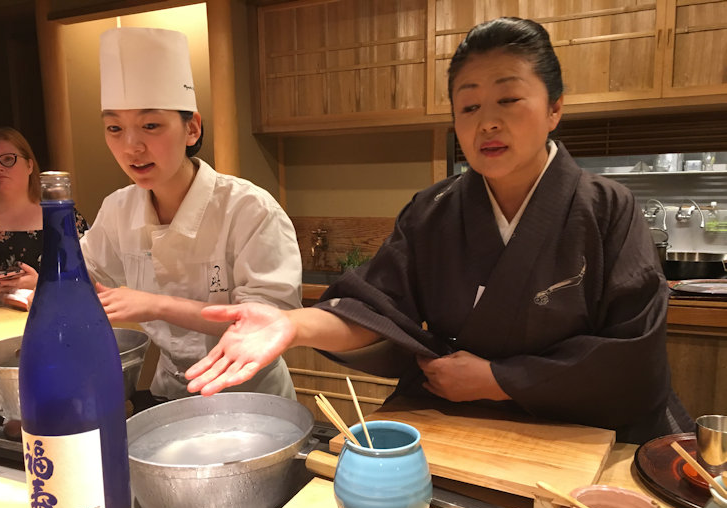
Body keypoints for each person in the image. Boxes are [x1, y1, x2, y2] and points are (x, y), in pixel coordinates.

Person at [184, 17, 693, 444]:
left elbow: (634, 360)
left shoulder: (606, 208)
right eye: (469, 107)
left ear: (555, 108)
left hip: (581, 436)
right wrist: (292, 325)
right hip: (463, 426)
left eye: (508, 100)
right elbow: (373, 310)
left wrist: (499, 381)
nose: (487, 123)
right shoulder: (434, 212)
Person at [79, 27, 302, 401]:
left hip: (253, 398)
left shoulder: (249, 208)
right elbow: (86, 273)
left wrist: (155, 304)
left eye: (150, 125)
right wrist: (53, 281)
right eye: (114, 128)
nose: (131, 146)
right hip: (173, 394)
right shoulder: (118, 209)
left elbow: (266, 323)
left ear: (191, 127)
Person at [0, 127, 88, 302]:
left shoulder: (61, 217)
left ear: (29, 165)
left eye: (8, 159)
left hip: (49, 316)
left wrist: (41, 283)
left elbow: (90, 277)